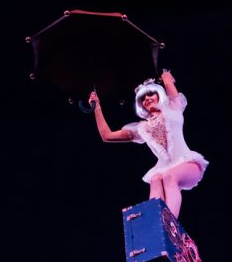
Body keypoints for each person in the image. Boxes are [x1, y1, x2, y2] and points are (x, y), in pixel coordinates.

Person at [88, 68, 208, 219]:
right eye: (143, 98)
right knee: (155, 179)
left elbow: (170, 86)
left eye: (151, 94)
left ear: (159, 96)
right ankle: (155, 220)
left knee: (168, 177)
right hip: (164, 169)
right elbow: (107, 136)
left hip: (188, 163)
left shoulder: (172, 108)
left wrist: (166, 78)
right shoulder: (142, 128)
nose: (147, 99)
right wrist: (97, 107)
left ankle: (170, 223)